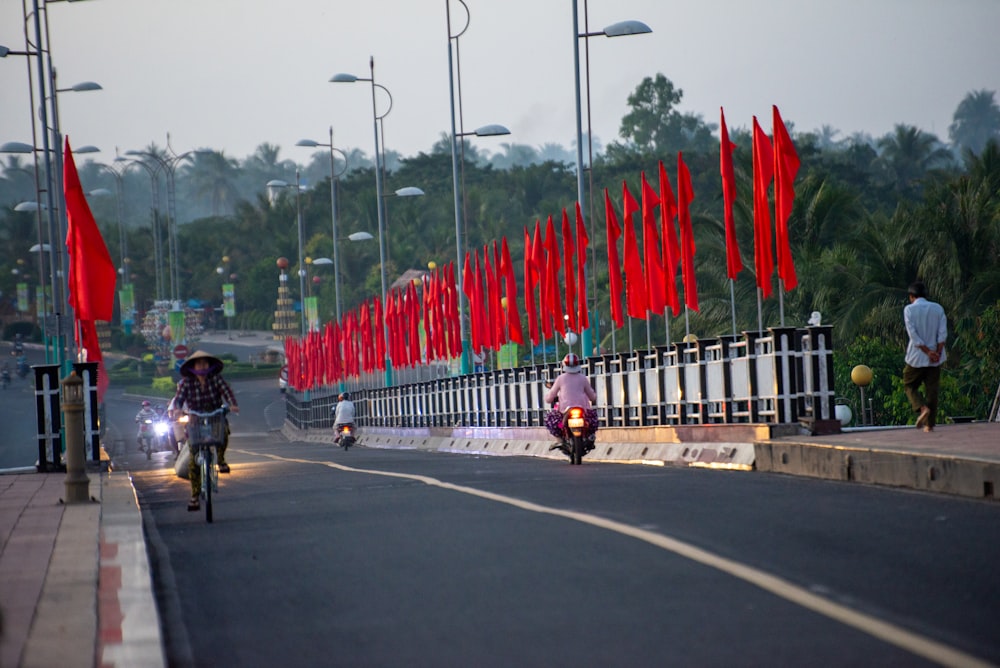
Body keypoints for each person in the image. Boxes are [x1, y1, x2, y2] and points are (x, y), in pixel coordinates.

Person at [171, 350, 239, 511]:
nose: (202, 366)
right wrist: (178, 410)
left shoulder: (215, 379)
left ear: (209, 365)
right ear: (193, 366)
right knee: (194, 458)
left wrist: (232, 404)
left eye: (205, 363)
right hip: (195, 418)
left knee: (224, 430)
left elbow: (227, 393)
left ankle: (221, 460)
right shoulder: (187, 382)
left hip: (214, 414)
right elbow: (179, 400)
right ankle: (194, 496)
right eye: (199, 363)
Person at [902, 281, 947, 432]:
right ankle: (929, 425)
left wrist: (928, 352)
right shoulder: (937, 308)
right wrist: (937, 353)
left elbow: (913, 336)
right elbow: (942, 334)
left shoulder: (909, 310)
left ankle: (922, 408)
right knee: (932, 390)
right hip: (936, 358)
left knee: (909, 384)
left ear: (911, 296)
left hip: (917, 357)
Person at [543, 353, 598, 450]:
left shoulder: (561, 378)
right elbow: (592, 396)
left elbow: (550, 396)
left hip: (565, 410)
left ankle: (559, 440)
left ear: (564, 365)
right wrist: (593, 396)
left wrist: (548, 398)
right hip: (582, 409)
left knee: (553, 421)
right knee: (592, 420)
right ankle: (590, 437)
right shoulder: (582, 378)